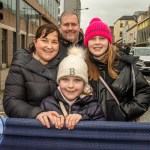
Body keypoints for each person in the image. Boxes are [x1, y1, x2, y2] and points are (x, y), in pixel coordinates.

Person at [84, 18, 150, 121]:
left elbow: (144, 93)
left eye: (102, 38)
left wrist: (123, 112)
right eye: (92, 39)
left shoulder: (126, 66)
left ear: (109, 41)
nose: (97, 42)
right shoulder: (80, 66)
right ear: (87, 42)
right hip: (90, 129)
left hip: (120, 130)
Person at [3, 24, 65, 118]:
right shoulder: (20, 65)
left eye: (54, 42)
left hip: (60, 126)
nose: (49, 46)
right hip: (31, 127)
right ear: (35, 42)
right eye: (44, 40)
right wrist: (37, 113)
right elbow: (11, 101)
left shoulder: (64, 64)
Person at [40, 46, 105, 129]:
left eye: (77, 80)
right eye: (65, 79)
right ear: (58, 82)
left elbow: (100, 132)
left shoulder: (94, 107)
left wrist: (84, 119)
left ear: (84, 83)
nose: (70, 86)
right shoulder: (47, 104)